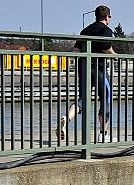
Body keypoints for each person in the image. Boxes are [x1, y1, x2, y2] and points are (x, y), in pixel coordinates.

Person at [56, 5, 115, 143]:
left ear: (96, 16)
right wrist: (116, 56)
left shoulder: (85, 30)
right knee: (105, 99)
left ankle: (67, 117)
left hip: (84, 68)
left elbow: (76, 49)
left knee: (82, 99)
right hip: (99, 69)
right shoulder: (106, 30)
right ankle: (103, 134)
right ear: (107, 17)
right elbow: (106, 47)